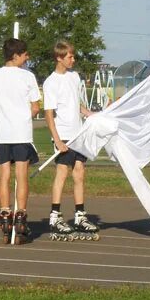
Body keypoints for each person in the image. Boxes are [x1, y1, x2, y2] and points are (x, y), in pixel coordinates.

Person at [0, 38, 40, 244]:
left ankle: (5, 213)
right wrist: (25, 114)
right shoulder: (27, 77)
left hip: (2, 134)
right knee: (22, 175)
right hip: (21, 133)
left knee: (4, 175)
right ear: (15, 55)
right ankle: (21, 216)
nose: (27, 58)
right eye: (25, 55)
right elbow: (35, 107)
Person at [43, 40, 100, 241]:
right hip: (64, 135)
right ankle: (55, 216)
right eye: (69, 57)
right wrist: (57, 140)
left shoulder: (74, 77)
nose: (73, 59)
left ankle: (79, 215)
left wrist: (91, 115)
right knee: (62, 172)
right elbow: (49, 114)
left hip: (79, 133)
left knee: (79, 173)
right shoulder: (51, 82)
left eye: (73, 56)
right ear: (59, 58)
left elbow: (78, 106)